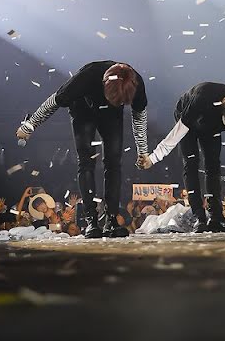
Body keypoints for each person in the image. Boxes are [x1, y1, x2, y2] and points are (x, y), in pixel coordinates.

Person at [16, 61, 149, 238]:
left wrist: (142, 151)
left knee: (114, 162)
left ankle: (111, 219)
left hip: (112, 114)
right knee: (86, 161)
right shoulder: (85, 78)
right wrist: (29, 125)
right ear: (105, 85)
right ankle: (91, 221)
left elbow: (139, 116)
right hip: (83, 110)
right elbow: (54, 102)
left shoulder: (135, 82)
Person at [139, 82, 225, 232]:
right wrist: (152, 158)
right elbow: (173, 137)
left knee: (213, 166)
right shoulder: (199, 103)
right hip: (188, 118)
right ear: (224, 116)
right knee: (191, 163)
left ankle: (216, 217)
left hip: (211, 125)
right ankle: (198, 217)